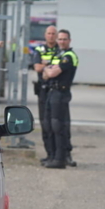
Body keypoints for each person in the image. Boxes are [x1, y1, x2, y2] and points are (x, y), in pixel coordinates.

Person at [42, 29, 78, 169]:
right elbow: (46, 73)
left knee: (58, 126)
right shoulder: (58, 54)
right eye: (60, 39)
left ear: (69, 40)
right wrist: (48, 70)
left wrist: (48, 69)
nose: (62, 41)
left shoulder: (69, 56)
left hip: (61, 93)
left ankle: (60, 159)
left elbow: (51, 73)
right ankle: (52, 156)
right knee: (49, 125)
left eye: (64, 39)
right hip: (52, 92)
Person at [30, 25, 59, 164]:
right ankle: (49, 154)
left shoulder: (61, 50)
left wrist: (45, 64)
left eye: (53, 33)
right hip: (43, 90)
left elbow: (60, 68)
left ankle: (60, 155)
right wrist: (52, 65)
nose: (51, 36)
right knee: (45, 124)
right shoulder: (39, 49)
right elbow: (37, 67)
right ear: (45, 35)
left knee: (57, 124)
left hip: (57, 90)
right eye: (49, 33)